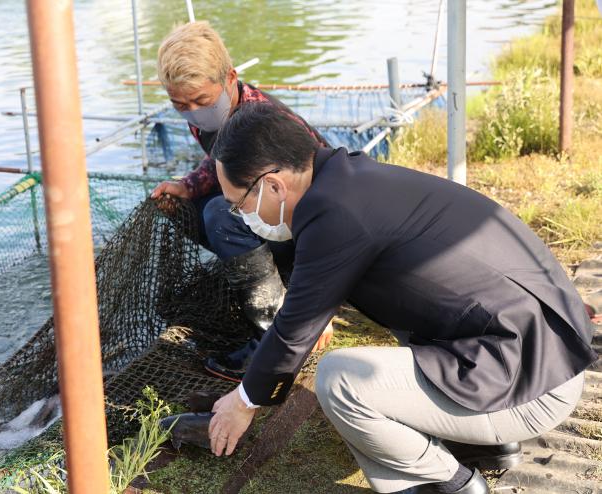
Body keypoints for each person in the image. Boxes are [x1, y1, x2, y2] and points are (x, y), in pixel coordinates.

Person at [207, 103, 597, 494]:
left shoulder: (335, 215)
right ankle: (490, 443)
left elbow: (293, 333)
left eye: (240, 205)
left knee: (340, 379)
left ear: (274, 185)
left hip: (534, 384)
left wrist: (244, 401)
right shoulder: (349, 177)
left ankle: (447, 482)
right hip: (541, 350)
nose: (241, 217)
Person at [150, 21, 332, 382]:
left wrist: (315, 298)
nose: (192, 111)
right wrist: (188, 185)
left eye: (201, 101)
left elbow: (320, 200)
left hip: (318, 226)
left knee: (221, 213)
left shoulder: (262, 123)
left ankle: (278, 333)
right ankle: (271, 280)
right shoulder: (209, 115)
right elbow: (219, 157)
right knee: (186, 207)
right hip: (273, 214)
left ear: (230, 78)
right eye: (179, 104)